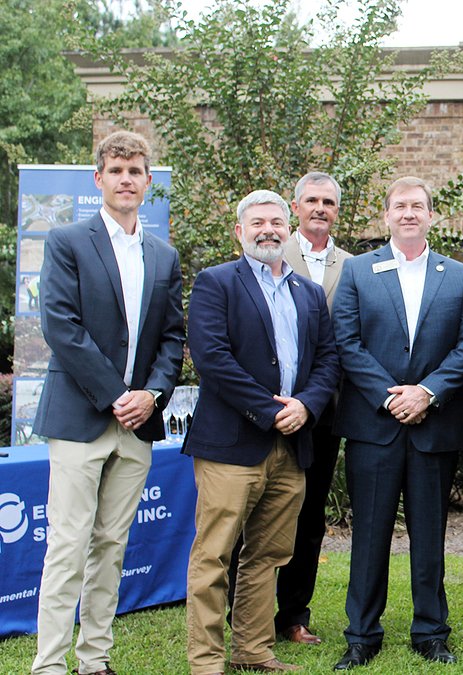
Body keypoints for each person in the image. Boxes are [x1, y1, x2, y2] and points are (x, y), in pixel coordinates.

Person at [32, 130, 185, 675]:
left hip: (138, 425)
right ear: (99, 179)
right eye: (116, 170)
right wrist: (119, 396)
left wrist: (152, 395)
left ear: (148, 181)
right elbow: (61, 327)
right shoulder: (68, 241)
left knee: (112, 546)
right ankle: (49, 665)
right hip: (80, 418)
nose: (126, 179)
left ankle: (94, 659)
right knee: (68, 546)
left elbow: (172, 338)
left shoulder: (163, 255)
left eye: (135, 170)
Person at [184, 189, 339, 675]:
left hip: (291, 446)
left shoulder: (308, 293)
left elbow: (327, 359)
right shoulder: (216, 283)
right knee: (215, 555)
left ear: (288, 230)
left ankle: (252, 649)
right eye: (257, 223)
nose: (268, 230)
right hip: (231, 445)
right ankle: (207, 660)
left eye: (275, 222)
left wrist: (306, 406)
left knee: (268, 555)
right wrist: (270, 411)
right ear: (239, 231)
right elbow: (212, 358)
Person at [331, 177, 463, 669]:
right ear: (387, 215)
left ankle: (431, 632)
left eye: (418, 205)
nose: (409, 213)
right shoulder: (358, 270)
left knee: (430, 536)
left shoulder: (459, 276)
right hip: (374, 427)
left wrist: (427, 392)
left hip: (433, 427)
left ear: (431, 215)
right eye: (400, 206)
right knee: (369, 535)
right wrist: (390, 396)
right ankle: (361, 635)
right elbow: (346, 341)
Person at [226, 172, 351, 645]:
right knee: (250, 515)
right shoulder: (269, 249)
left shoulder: (354, 266)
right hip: (260, 411)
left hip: (321, 410)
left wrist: (311, 403)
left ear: (337, 211)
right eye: (311, 200)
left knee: (309, 516)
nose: (320, 208)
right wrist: (267, 406)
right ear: (295, 209)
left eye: (328, 202)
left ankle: (294, 614)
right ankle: (242, 613)